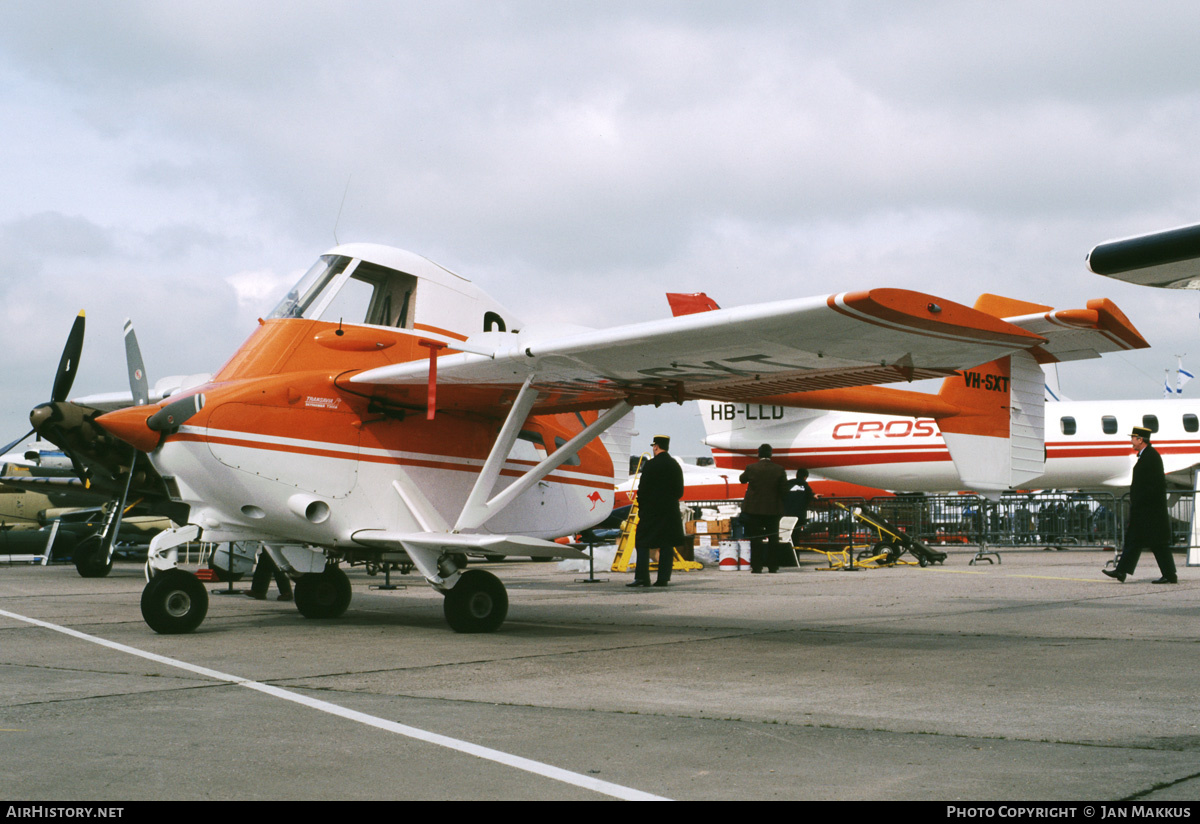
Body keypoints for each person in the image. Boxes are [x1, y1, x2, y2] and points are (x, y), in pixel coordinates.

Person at [1103, 426, 1177, 584]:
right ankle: (1121, 571)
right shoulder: (1145, 456)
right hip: (1143, 509)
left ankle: (1170, 575)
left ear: (1140, 439)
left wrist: (1141, 503)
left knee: (1158, 543)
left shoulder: (1151, 457)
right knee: (1134, 541)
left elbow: (1153, 486)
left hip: (1150, 511)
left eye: (1133, 438)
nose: (1131, 441)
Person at [628, 435, 685, 588]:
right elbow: (679, 491)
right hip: (669, 512)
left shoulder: (651, 465)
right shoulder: (675, 465)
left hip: (651, 511)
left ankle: (642, 578)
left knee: (642, 542)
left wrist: (643, 506)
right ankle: (663, 579)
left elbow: (643, 489)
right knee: (666, 544)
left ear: (655, 447)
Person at [739, 443, 789, 574]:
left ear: (758, 454)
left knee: (756, 538)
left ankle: (757, 567)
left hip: (754, 510)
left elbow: (742, 479)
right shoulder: (779, 469)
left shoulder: (751, 468)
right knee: (773, 538)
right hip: (773, 510)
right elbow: (784, 489)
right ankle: (773, 566)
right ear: (770, 454)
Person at [784, 468, 814, 548]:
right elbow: (809, 496)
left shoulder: (788, 484)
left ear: (796, 475)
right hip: (799, 515)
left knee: (785, 535)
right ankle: (795, 553)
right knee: (795, 536)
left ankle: (785, 552)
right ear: (805, 477)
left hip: (785, 514)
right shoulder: (805, 486)